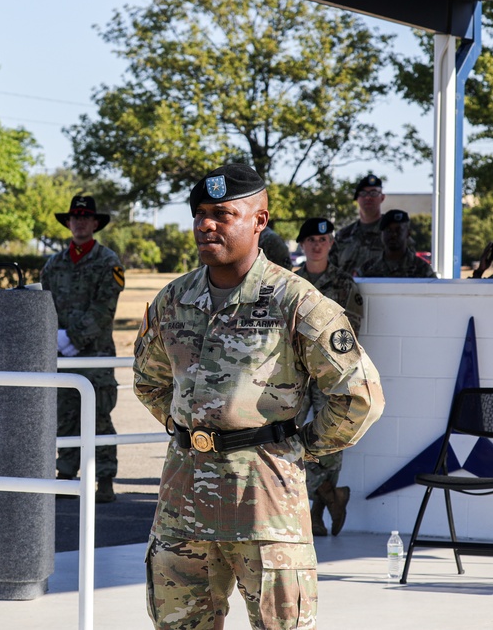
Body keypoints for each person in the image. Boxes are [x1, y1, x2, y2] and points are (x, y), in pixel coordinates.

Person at [133, 163, 384, 630]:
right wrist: (187, 429)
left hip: (265, 502)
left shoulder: (297, 303)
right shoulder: (172, 300)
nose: (206, 224)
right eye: (201, 214)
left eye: (223, 215)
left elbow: (357, 396)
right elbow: (149, 380)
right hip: (183, 496)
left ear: (259, 221)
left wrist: (298, 448)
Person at [41, 195, 125, 504]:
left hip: (96, 352)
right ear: (69, 223)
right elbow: (45, 304)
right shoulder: (54, 263)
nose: (78, 222)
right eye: (74, 217)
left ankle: (105, 478)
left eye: (84, 217)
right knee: (65, 413)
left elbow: (105, 308)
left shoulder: (108, 261)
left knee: (99, 415)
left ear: (94, 223)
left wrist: (75, 338)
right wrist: (57, 339)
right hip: (61, 352)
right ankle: (66, 472)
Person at [293, 217, 364, 537]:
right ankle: (329, 494)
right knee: (286, 439)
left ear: (331, 244)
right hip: (295, 375)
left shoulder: (345, 284)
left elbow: (352, 332)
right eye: (311, 240)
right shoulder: (292, 284)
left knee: (330, 442)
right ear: (303, 245)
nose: (317, 244)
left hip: (330, 373)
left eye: (323, 240)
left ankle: (318, 513)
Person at [331, 173, 388, 275]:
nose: (368, 198)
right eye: (363, 193)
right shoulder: (343, 236)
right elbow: (331, 269)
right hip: (348, 290)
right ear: (357, 198)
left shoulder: (392, 233)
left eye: (373, 193)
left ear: (382, 197)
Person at [356, 209, 437, 278]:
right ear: (381, 234)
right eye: (388, 230)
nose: (393, 234)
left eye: (398, 230)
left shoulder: (422, 269)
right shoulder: (367, 269)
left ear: (408, 233)